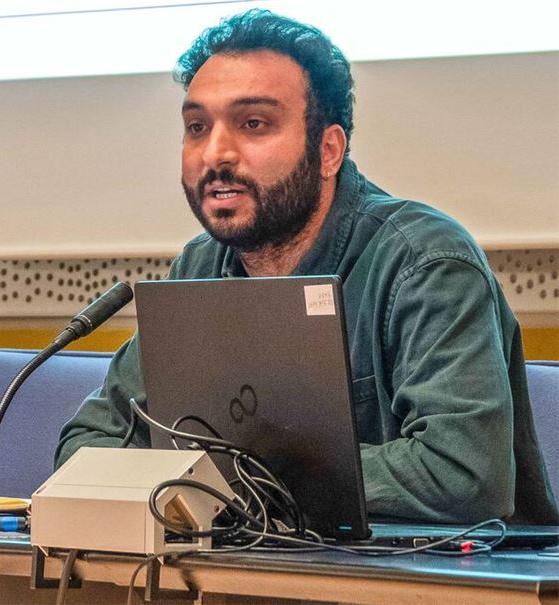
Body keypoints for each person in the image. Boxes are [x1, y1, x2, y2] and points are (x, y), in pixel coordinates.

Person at [56, 10, 558, 524]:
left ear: (328, 150)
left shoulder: (424, 262)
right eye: (196, 127)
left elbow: (462, 474)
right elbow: (87, 447)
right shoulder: (200, 266)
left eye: (253, 124)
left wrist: (223, 481)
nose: (215, 153)